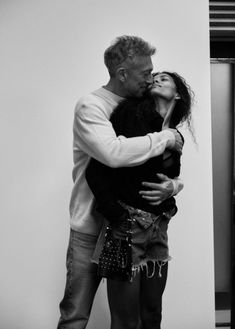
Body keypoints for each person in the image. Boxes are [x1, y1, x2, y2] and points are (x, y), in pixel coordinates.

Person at [57, 36, 184, 329]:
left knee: (140, 316)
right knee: (76, 313)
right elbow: (112, 154)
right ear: (123, 73)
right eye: (145, 73)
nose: (150, 78)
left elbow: (159, 169)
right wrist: (167, 137)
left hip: (138, 228)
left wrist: (173, 187)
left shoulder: (141, 106)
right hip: (91, 226)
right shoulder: (92, 105)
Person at [86, 71, 194, 329]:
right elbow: (97, 168)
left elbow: (169, 178)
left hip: (159, 227)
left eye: (164, 78)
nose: (156, 78)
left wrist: (174, 187)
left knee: (152, 313)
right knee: (126, 321)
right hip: (127, 227)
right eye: (154, 76)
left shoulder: (174, 135)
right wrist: (117, 215)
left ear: (177, 93)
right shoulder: (129, 115)